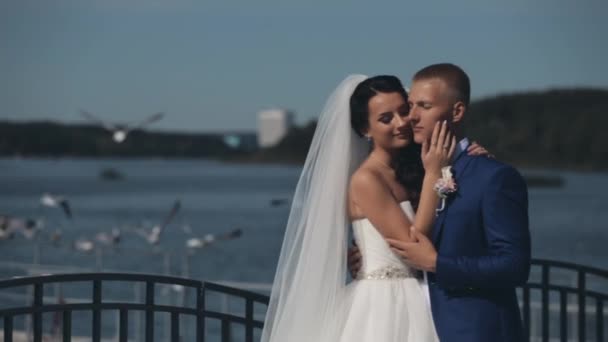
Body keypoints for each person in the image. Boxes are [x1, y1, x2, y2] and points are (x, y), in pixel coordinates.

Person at [261, 73, 489, 342]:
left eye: (404, 111)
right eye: (386, 118)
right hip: (385, 305)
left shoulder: (414, 167)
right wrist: (434, 173)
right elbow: (413, 245)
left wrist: (465, 162)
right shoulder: (366, 180)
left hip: (429, 295)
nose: (402, 122)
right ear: (365, 130)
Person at [353, 63, 531, 342]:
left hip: (473, 332)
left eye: (422, 106)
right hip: (407, 324)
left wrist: (437, 263)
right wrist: (363, 253)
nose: (410, 117)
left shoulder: (492, 176)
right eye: (410, 105)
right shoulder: (415, 172)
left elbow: (514, 266)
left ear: (457, 111)